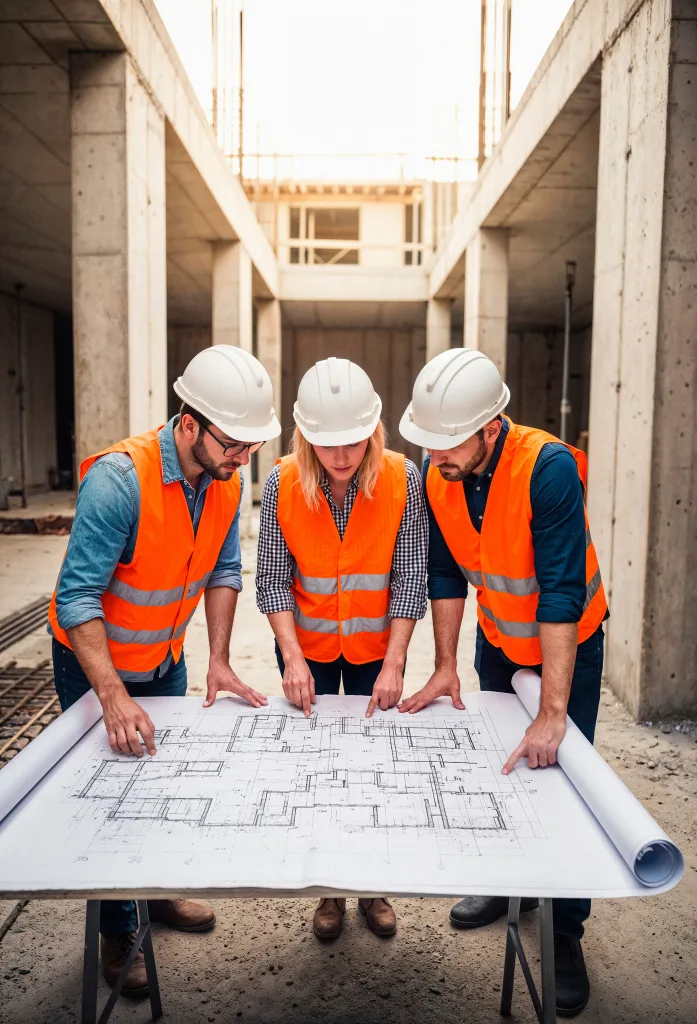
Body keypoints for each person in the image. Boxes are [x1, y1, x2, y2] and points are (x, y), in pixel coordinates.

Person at [48, 345, 281, 996]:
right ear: (189, 425)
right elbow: (75, 599)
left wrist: (220, 659)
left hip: (165, 659)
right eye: (234, 444)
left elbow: (223, 569)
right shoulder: (119, 480)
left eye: (250, 446)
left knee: (161, 790)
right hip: (95, 666)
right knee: (114, 803)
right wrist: (114, 697)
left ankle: (153, 897)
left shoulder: (227, 480)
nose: (243, 458)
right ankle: (119, 932)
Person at [398, 348, 608, 1018]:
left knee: (562, 783)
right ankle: (502, 887)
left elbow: (560, 593)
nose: (435, 457)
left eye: (447, 442)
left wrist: (551, 709)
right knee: (495, 769)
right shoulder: (440, 472)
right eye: (426, 442)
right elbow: (444, 575)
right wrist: (443, 664)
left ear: (491, 428)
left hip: (564, 645)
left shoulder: (545, 469)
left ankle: (564, 933)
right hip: (496, 640)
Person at [256, 357, 428, 941]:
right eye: (328, 444)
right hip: (305, 648)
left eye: (354, 442)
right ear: (304, 436)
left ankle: (372, 885)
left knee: (372, 768)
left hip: (377, 650)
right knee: (316, 768)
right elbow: (272, 579)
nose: (342, 457)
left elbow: (410, 577)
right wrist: (294, 656)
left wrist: (396, 660)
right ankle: (330, 889)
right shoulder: (280, 480)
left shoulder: (405, 477)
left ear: (373, 430)